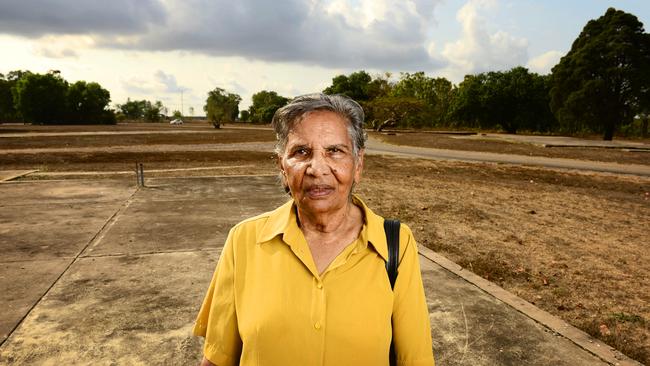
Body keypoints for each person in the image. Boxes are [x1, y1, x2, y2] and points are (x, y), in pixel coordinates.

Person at [193, 93, 434, 366]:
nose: (317, 169)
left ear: (358, 164)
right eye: (301, 152)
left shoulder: (395, 243)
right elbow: (217, 359)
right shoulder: (245, 240)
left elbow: (415, 360)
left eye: (335, 151)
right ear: (282, 167)